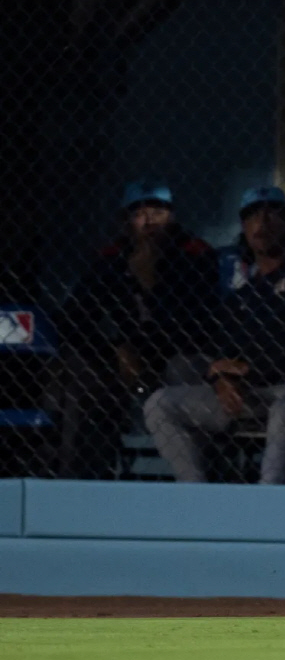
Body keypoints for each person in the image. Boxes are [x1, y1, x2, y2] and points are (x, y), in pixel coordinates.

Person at [143, 187, 285, 484]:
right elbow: (223, 348)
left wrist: (247, 370)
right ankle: (196, 496)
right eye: (253, 215)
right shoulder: (245, 293)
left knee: (284, 408)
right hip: (254, 391)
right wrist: (219, 376)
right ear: (243, 226)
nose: (262, 222)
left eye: (272, 213)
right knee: (159, 403)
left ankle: (267, 500)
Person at [54, 181, 217, 479]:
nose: (148, 220)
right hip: (124, 355)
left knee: (183, 369)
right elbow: (73, 319)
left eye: (157, 210)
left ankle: (195, 473)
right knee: (81, 372)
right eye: (138, 213)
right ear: (127, 220)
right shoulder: (111, 257)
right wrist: (115, 344)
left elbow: (197, 326)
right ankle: (82, 476)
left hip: (178, 350)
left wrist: (150, 285)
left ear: (172, 215)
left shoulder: (196, 255)